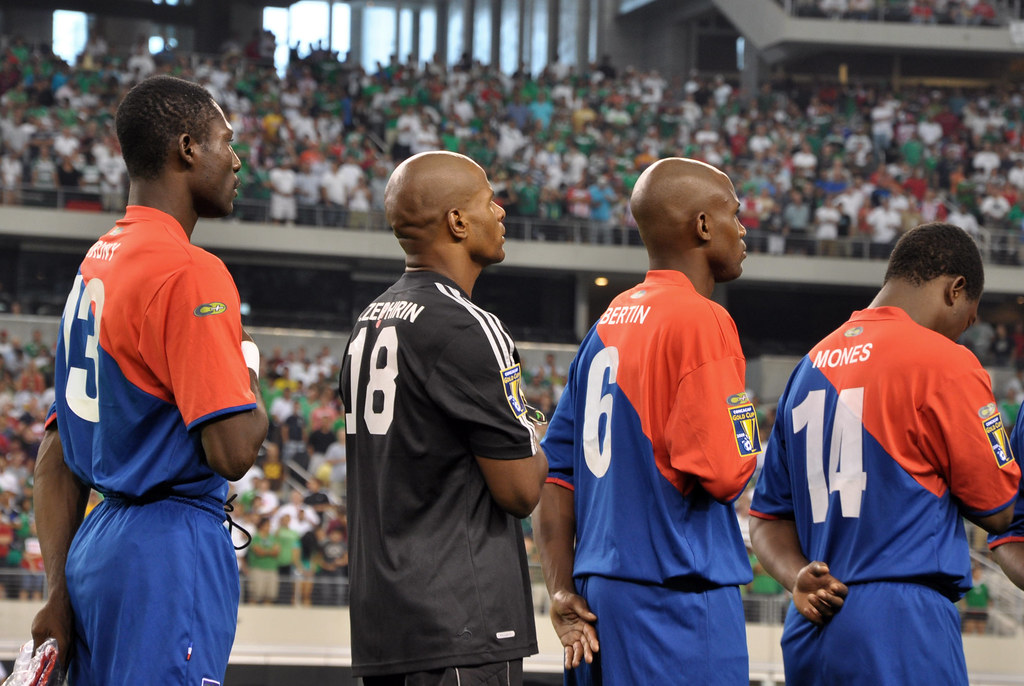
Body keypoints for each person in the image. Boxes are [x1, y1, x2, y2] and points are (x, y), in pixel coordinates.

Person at [30, 75, 269, 685]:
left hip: (94, 552)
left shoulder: (96, 262)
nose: (237, 160)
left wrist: (56, 588)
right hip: (166, 550)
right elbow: (233, 450)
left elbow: (56, 453)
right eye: (226, 142)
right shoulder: (191, 270)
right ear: (188, 149)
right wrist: (248, 375)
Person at [749, 222, 1020, 686]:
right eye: (970, 317)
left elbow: (767, 520)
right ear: (956, 290)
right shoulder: (944, 361)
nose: (965, 332)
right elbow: (998, 511)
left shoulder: (808, 367)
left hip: (811, 620)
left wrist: (799, 578)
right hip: (901, 620)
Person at [534, 157, 758, 684]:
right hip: (677, 599)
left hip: (595, 600)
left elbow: (553, 472)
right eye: (734, 214)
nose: (743, 228)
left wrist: (561, 587)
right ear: (702, 226)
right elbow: (727, 471)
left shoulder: (606, 324)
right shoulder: (703, 318)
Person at [339, 150, 548, 685]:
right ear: (457, 221)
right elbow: (520, 490)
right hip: (460, 619)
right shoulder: (467, 324)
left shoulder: (368, 320)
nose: (500, 212)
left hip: (385, 619)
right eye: (488, 201)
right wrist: (537, 432)